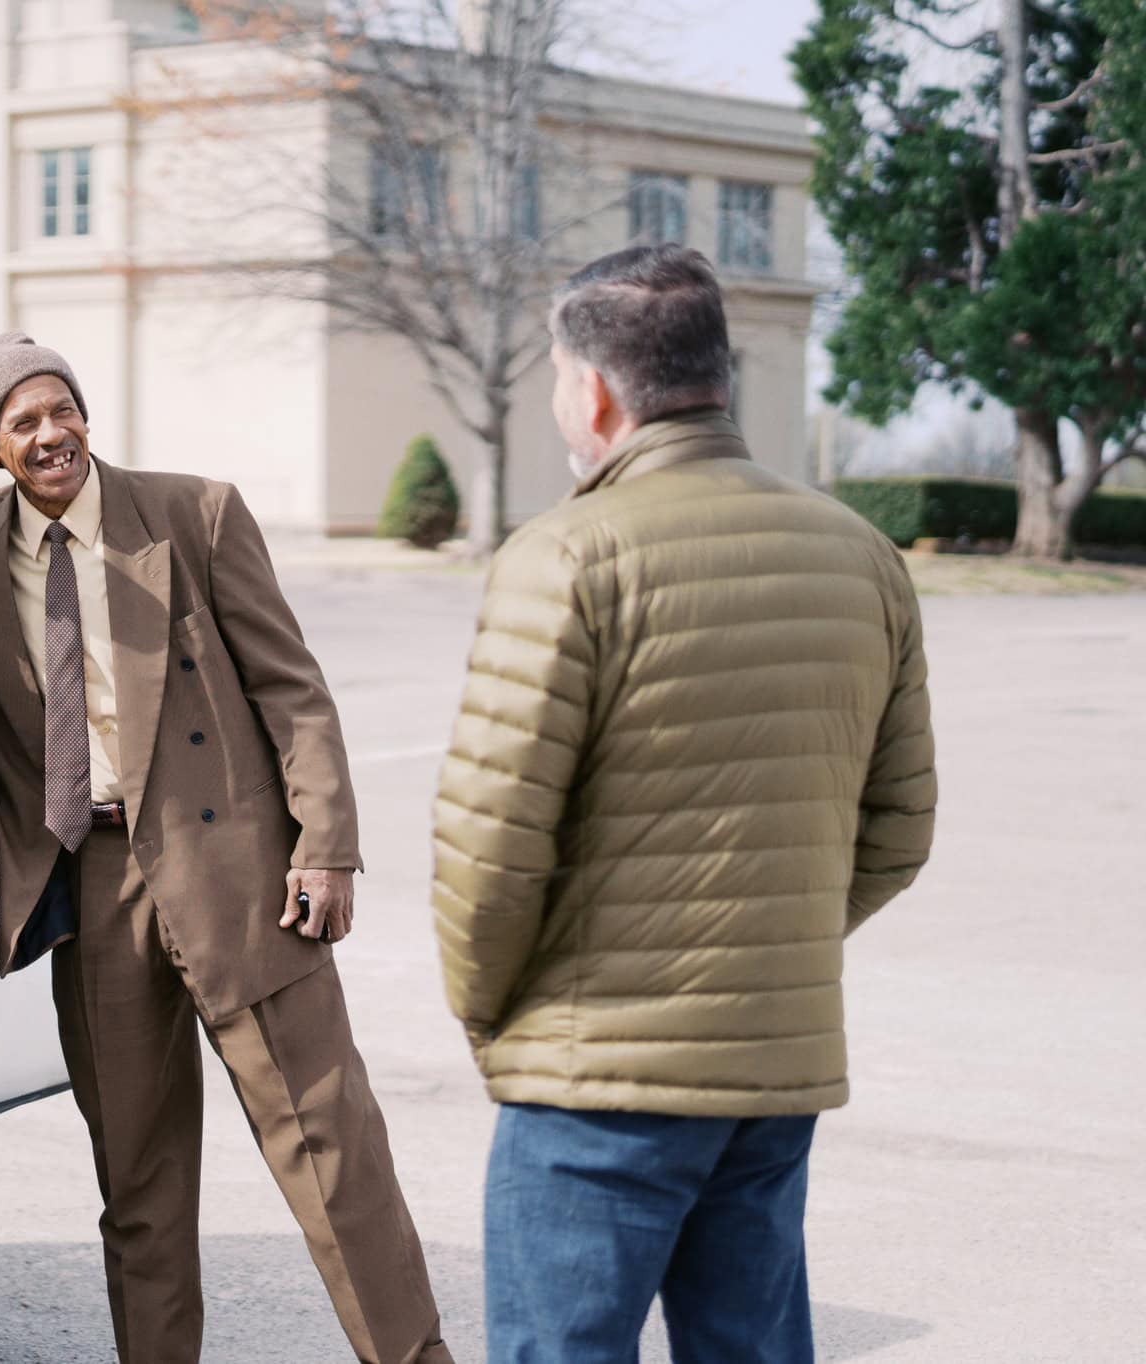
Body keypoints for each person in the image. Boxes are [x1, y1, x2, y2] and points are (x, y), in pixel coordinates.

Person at [432, 243, 938, 1364]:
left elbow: (489, 844)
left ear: (594, 392)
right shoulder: (863, 555)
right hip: (773, 1068)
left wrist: (490, 1014)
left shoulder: (566, 555)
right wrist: (762, 951)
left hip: (596, 1072)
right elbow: (899, 827)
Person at [0, 332, 452, 1364]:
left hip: (240, 874)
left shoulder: (193, 512)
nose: (50, 433)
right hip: (90, 882)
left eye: (61, 408)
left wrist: (326, 845)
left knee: (331, 1153)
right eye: (22, 421)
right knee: (138, 1181)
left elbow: (291, 688)